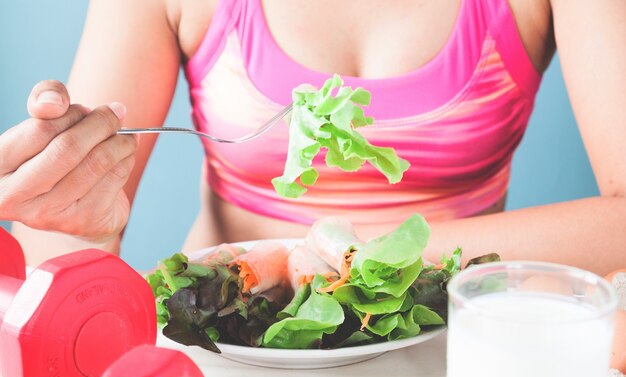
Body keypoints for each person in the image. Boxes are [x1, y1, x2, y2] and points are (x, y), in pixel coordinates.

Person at [0, 0, 624, 275]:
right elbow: (52, 261)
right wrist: (83, 225)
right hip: (232, 351)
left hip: (452, 351)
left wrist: (344, 252)